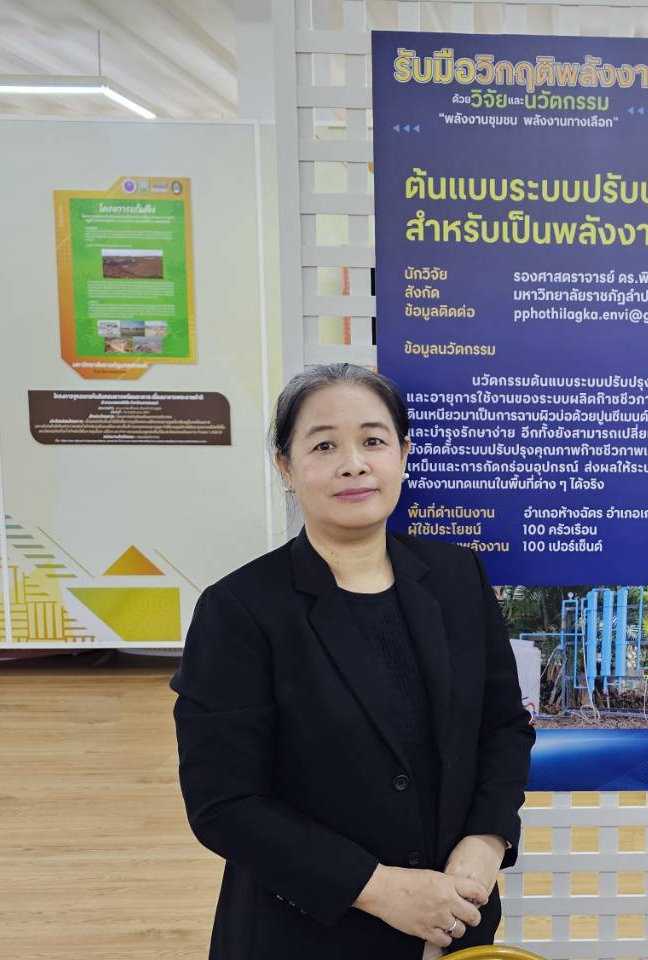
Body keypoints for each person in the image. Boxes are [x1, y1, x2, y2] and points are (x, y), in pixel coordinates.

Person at [171, 363, 535, 959]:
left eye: (373, 441)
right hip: (307, 932)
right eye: (324, 446)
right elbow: (224, 803)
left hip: (455, 919)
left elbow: (503, 726)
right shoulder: (238, 609)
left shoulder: (456, 576)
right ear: (286, 468)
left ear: (403, 455)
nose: (354, 464)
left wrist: (487, 838)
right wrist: (381, 889)